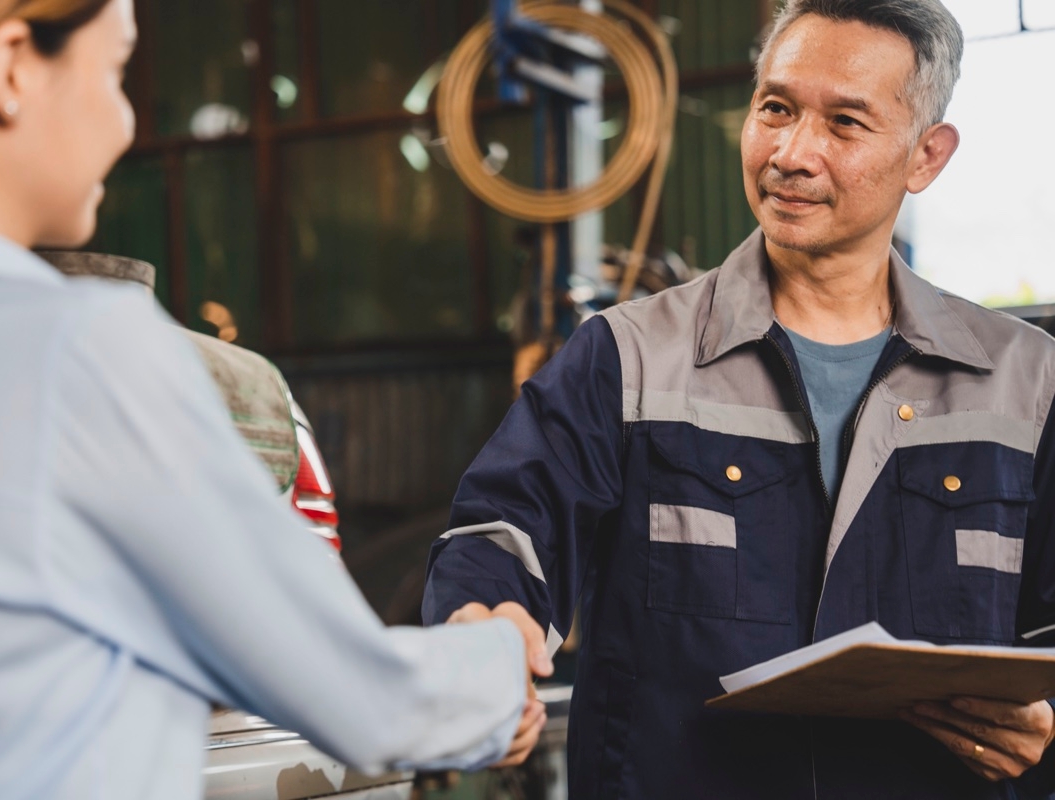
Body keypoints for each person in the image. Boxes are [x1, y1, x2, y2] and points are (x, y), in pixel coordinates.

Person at [0, 1, 554, 797]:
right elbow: (350, 689)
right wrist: (499, 661)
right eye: (117, 72)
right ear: (11, 65)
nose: (124, 126)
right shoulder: (72, 350)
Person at [423, 0, 1055, 796]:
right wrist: (485, 627)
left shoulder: (1026, 382)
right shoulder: (628, 358)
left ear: (925, 157)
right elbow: (504, 528)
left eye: (845, 124)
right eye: (776, 109)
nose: (792, 153)